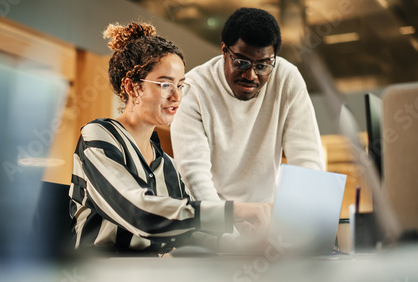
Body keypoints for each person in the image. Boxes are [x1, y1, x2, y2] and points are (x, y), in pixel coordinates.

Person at [68, 21, 271, 255]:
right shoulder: (99, 136)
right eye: (165, 84)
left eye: (181, 85)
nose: (176, 96)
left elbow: (187, 232)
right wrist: (232, 211)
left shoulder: (168, 165)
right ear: (133, 88)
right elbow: (140, 214)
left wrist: (243, 244)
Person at [170, 8, 325, 203]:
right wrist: (228, 228)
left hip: (266, 211)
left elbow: (308, 161)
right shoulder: (194, 89)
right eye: (242, 63)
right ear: (224, 51)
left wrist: (298, 225)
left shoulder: (287, 79)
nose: (251, 76)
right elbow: (194, 176)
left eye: (262, 66)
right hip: (214, 213)